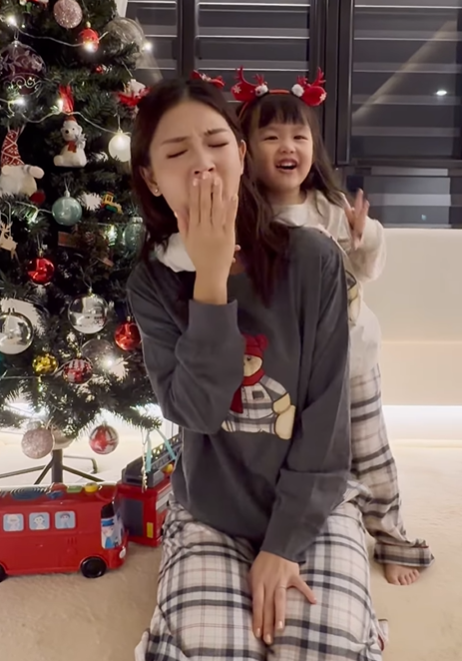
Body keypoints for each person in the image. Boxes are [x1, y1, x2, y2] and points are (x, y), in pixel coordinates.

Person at [128, 76, 385, 661]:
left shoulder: (314, 260)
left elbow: (325, 420)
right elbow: (196, 411)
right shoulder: (154, 281)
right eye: (177, 152)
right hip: (212, 510)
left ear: (241, 155)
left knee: (323, 645)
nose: (203, 164)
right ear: (151, 176)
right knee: (209, 647)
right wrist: (211, 280)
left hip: (314, 505)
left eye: (217, 143)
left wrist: (283, 545)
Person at [234, 67, 434, 587]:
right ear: (245, 151)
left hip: (351, 358)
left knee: (370, 451)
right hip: (287, 367)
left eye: (299, 136)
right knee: (294, 447)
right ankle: (286, 522)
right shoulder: (245, 216)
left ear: (313, 148)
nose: (288, 146)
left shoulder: (329, 207)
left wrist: (364, 236)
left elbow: (367, 270)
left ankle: (392, 536)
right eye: (271, 137)